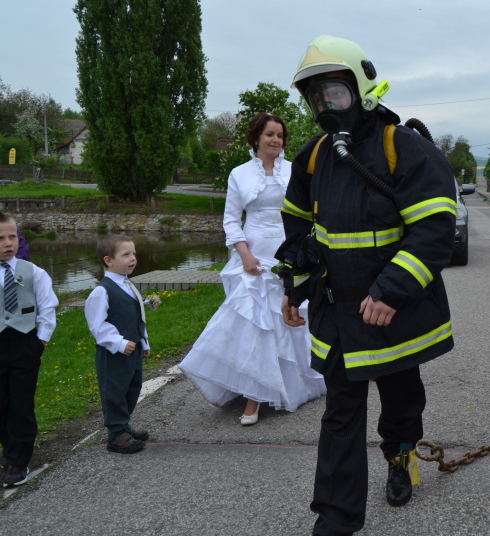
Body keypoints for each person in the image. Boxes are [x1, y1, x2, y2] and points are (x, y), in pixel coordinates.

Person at [280, 35, 456, 535]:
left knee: (401, 401)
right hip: (339, 316)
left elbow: (435, 229)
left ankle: (401, 461)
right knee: (341, 414)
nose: (326, 106)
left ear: (361, 88)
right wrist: (294, 288)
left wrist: (391, 290)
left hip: (391, 314)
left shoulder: (402, 147)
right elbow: (297, 231)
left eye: (334, 93)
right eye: (316, 97)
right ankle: (335, 521)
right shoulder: (312, 157)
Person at [179, 113, 326, 425]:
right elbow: (231, 220)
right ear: (256, 138)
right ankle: (253, 395)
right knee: (256, 325)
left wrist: (303, 252)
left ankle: (300, 380)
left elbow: (308, 213)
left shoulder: (294, 170)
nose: (276, 140)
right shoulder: (239, 174)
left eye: (280, 135)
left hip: (289, 251)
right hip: (254, 256)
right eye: (270, 134)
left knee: (294, 317)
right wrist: (245, 256)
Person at [0, 212, 58, 487]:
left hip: (24, 344)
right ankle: (10, 447)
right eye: (0, 238)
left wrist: (40, 342)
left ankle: (19, 460)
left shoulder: (34, 272)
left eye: (12, 236)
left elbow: (47, 308)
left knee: (21, 404)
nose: (7, 243)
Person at [84, 235, 150, 454]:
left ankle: (123, 425)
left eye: (134, 254)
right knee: (115, 391)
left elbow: (138, 317)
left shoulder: (130, 285)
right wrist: (119, 343)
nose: (133, 259)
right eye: (126, 255)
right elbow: (97, 325)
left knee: (132, 387)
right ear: (108, 260)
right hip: (113, 353)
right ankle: (115, 435)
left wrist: (144, 341)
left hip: (134, 349)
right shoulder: (102, 291)